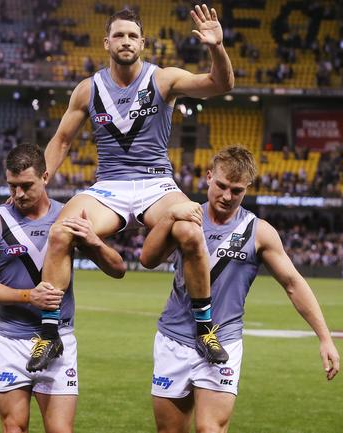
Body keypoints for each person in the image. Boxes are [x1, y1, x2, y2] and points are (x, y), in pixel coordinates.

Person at [35, 4, 235, 371]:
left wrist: (216, 47)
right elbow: (61, 140)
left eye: (132, 36)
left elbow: (220, 84)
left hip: (156, 183)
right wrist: (39, 182)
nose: (125, 41)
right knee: (61, 231)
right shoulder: (87, 90)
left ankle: (205, 328)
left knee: (191, 230)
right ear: (106, 42)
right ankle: (49, 334)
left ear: (143, 42)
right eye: (119, 35)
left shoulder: (163, 79)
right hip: (109, 186)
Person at [141, 146, 340, 433]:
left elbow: (293, 284)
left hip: (223, 342)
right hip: (175, 338)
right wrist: (170, 216)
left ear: (247, 189)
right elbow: (147, 259)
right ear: (209, 177)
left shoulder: (259, 232)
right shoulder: (186, 218)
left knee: (210, 429)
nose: (226, 196)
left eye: (236, 190)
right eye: (221, 186)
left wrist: (325, 338)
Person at [0, 144, 125, 433]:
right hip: (9, 340)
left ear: (45, 176)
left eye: (26, 185)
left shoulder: (69, 217)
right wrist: (30, 296)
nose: (18, 195)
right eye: (12, 186)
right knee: (13, 427)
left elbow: (118, 269)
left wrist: (93, 240)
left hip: (58, 338)